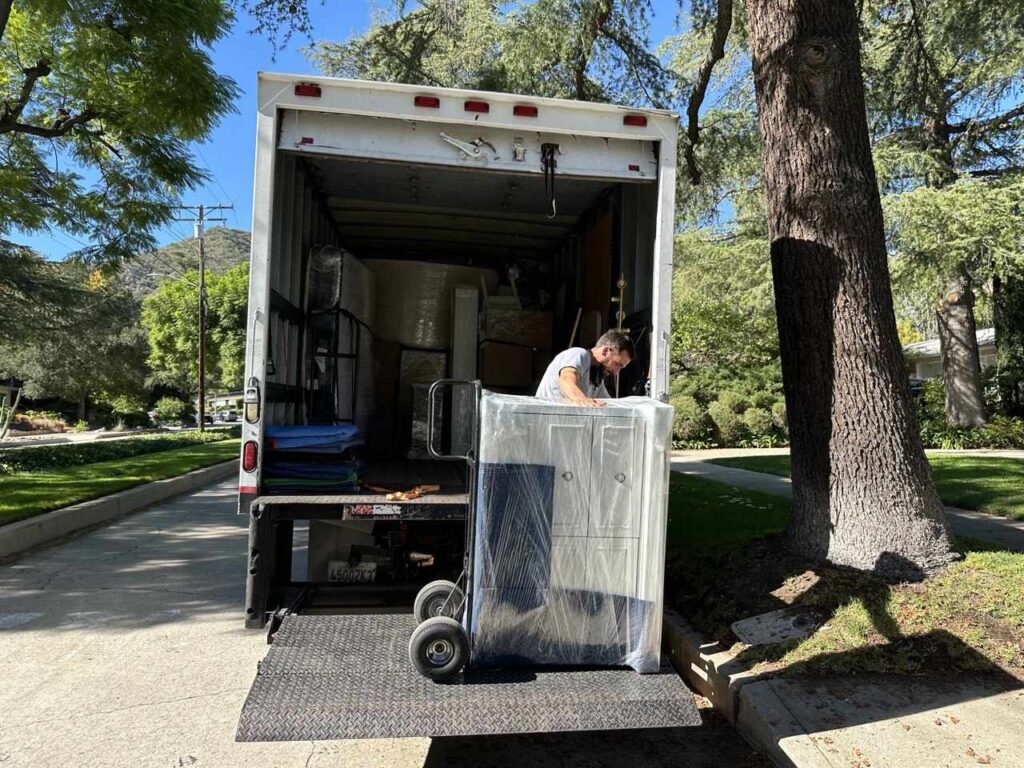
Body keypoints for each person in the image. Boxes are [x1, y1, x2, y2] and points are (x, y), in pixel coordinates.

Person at [535, 330, 634, 407]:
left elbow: (608, 404)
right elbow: (566, 378)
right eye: (618, 364)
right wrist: (582, 399)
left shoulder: (596, 380)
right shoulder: (579, 354)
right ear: (605, 351)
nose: (616, 372)